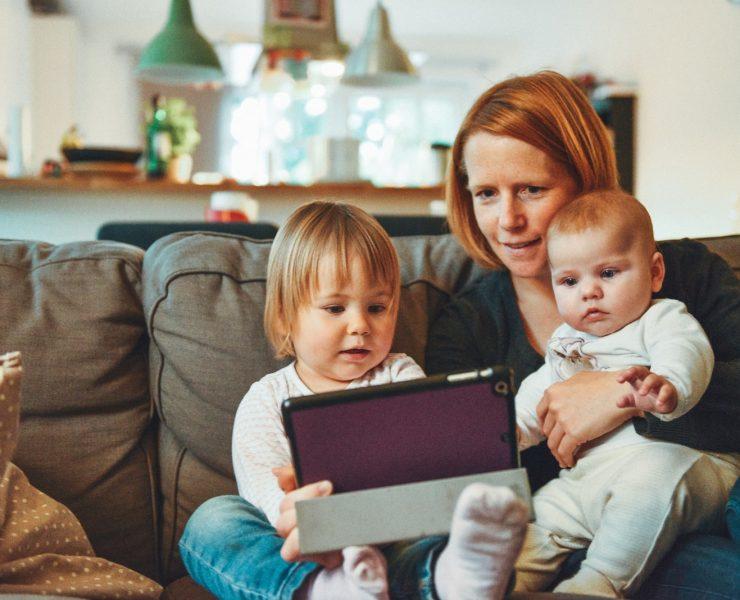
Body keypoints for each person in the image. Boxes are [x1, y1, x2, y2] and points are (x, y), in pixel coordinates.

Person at [424, 70, 740, 597]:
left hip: (677, 526)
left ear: (585, 180)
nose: (508, 220)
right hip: (552, 530)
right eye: (486, 193)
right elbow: (469, 466)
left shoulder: (684, 275)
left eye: (531, 189)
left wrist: (623, 395)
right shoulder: (467, 324)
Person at [180, 201, 530, 600]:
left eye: (377, 307)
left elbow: (429, 461)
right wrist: (312, 520)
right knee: (212, 521)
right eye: (334, 308)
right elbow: (266, 498)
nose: (361, 325)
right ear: (283, 317)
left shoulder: (399, 375)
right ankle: (325, 590)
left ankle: (453, 578)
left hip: (394, 536)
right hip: (306, 549)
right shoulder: (266, 400)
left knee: (449, 524)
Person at [510, 189, 738, 596]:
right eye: (569, 280)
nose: (589, 292)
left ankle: (596, 584)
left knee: (648, 484)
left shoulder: (661, 317)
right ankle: (503, 583)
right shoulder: (566, 340)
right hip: (588, 478)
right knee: (540, 515)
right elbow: (539, 393)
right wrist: (508, 431)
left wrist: (667, 385)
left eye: (609, 274)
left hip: (682, 465)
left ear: (654, 273)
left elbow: (687, 351)